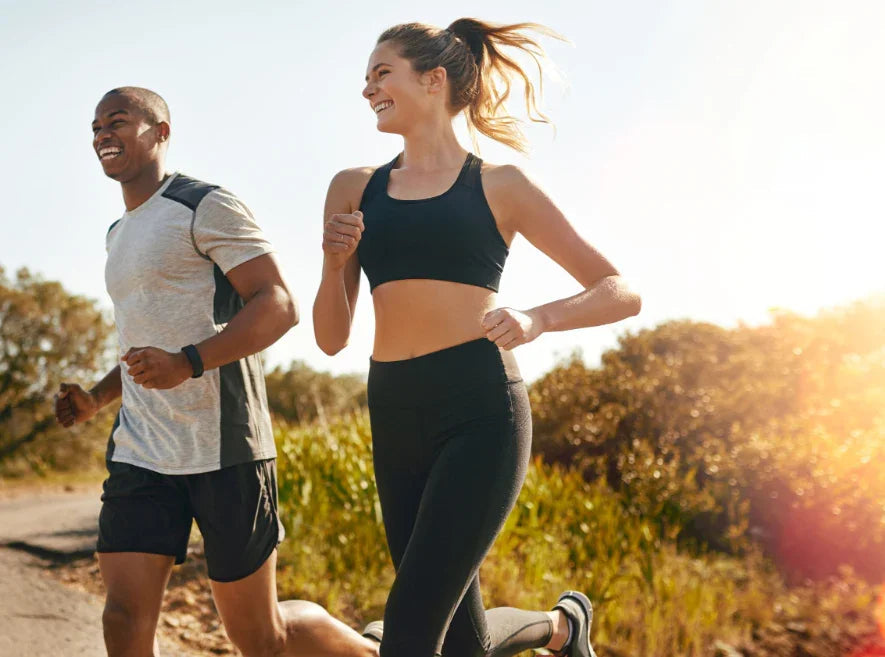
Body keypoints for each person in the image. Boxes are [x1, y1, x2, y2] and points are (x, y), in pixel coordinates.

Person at [314, 17, 641, 657]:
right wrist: (331, 264)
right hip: (395, 408)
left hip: (481, 411)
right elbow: (329, 339)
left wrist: (538, 319)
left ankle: (557, 627)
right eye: (365, 78)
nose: (367, 89)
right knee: (458, 643)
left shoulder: (501, 186)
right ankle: (562, 627)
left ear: (433, 80)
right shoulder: (354, 189)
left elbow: (620, 290)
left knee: (406, 636)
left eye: (382, 73)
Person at [55, 86, 380, 657]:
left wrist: (190, 363)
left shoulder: (204, 204)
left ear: (161, 131)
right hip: (142, 450)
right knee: (124, 617)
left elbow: (279, 303)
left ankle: (371, 649)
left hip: (226, 448)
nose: (102, 133)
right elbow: (139, 341)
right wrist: (96, 400)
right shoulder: (117, 234)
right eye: (96, 126)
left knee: (260, 638)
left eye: (118, 120)